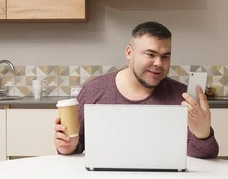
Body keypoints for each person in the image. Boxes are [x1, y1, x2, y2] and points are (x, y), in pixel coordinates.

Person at [54, 21, 219, 159]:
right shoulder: (94, 91)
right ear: (129, 53)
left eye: (165, 56)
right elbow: (76, 147)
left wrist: (203, 134)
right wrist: (67, 146)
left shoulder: (182, 97)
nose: (159, 63)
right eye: (150, 54)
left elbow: (204, 159)